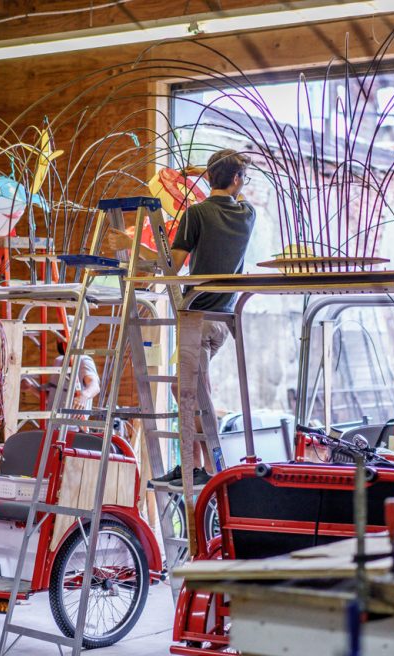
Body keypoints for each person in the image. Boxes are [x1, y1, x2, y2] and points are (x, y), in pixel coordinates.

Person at [129, 150, 255, 489]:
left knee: (187, 395)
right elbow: (234, 184)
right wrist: (208, 171)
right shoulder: (247, 214)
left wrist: (132, 246)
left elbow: (172, 265)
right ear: (237, 181)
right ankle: (201, 467)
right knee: (193, 389)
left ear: (211, 178)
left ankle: (199, 470)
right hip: (222, 317)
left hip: (196, 314)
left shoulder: (195, 214)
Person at [49, 340, 101, 429]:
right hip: (51, 427)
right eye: (58, 337)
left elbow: (94, 385)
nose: (59, 340)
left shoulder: (83, 360)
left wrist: (84, 395)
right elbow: (52, 396)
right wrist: (30, 388)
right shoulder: (58, 361)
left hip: (73, 429)